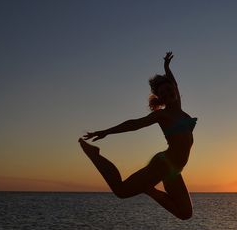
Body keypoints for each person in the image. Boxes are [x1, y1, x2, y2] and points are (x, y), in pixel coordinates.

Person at [78, 52, 197, 220]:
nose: (168, 92)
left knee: (185, 213)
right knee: (121, 190)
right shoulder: (161, 115)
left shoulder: (179, 109)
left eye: (169, 89)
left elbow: (174, 83)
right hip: (164, 164)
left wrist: (166, 68)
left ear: (175, 91)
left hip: (174, 171)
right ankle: (94, 155)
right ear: (160, 98)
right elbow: (134, 124)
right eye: (163, 92)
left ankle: (148, 189)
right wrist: (106, 132)